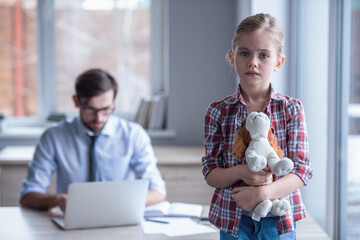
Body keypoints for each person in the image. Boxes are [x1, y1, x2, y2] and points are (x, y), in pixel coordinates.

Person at [202, 13, 313, 239]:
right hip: (234, 221)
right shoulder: (218, 111)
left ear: (278, 62)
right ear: (232, 58)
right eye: (245, 53)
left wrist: (262, 193)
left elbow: (302, 170)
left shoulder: (291, 109)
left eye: (264, 55)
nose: (253, 61)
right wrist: (242, 171)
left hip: (278, 222)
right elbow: (210, 172)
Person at [20, 68, 166, 212]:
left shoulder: (133, 135)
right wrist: (58, 200)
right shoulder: (53, 137)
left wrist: (119, 202)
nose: (99, 118)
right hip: (71, 223)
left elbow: (158, 192)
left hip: (119, 220)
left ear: (114, 102)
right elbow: (28, 196)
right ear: (76, 101)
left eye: (106, 109)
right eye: (91, 109)